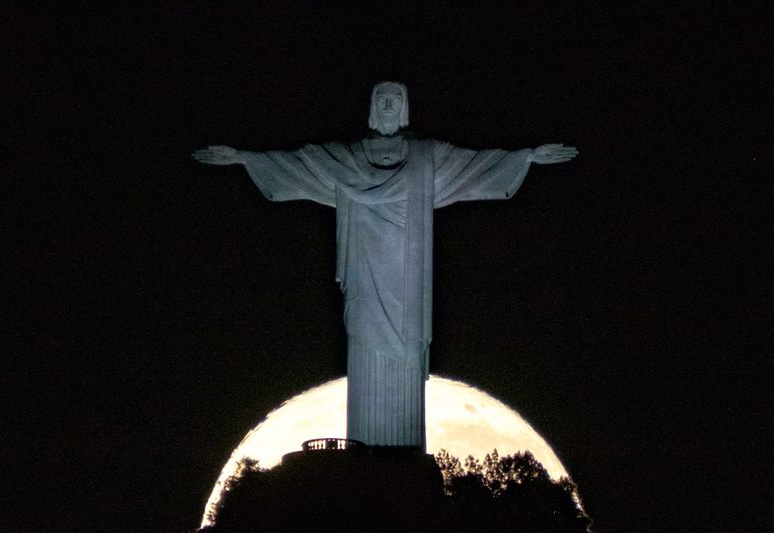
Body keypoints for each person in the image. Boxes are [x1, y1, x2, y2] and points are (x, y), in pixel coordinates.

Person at [193, 82, 577, 449]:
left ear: (405, 107)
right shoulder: (348, 159)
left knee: (407, 355)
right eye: (383, 98)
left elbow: (474, 167)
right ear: (373, 108)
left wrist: (525, 157)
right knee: (363, 344)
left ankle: (403, 454)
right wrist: (245, 158)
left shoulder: (428, 158)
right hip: (365, 277)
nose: (389, 104)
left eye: (396, 98)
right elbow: (302, 164)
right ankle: (366, 452)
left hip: (408, 283)